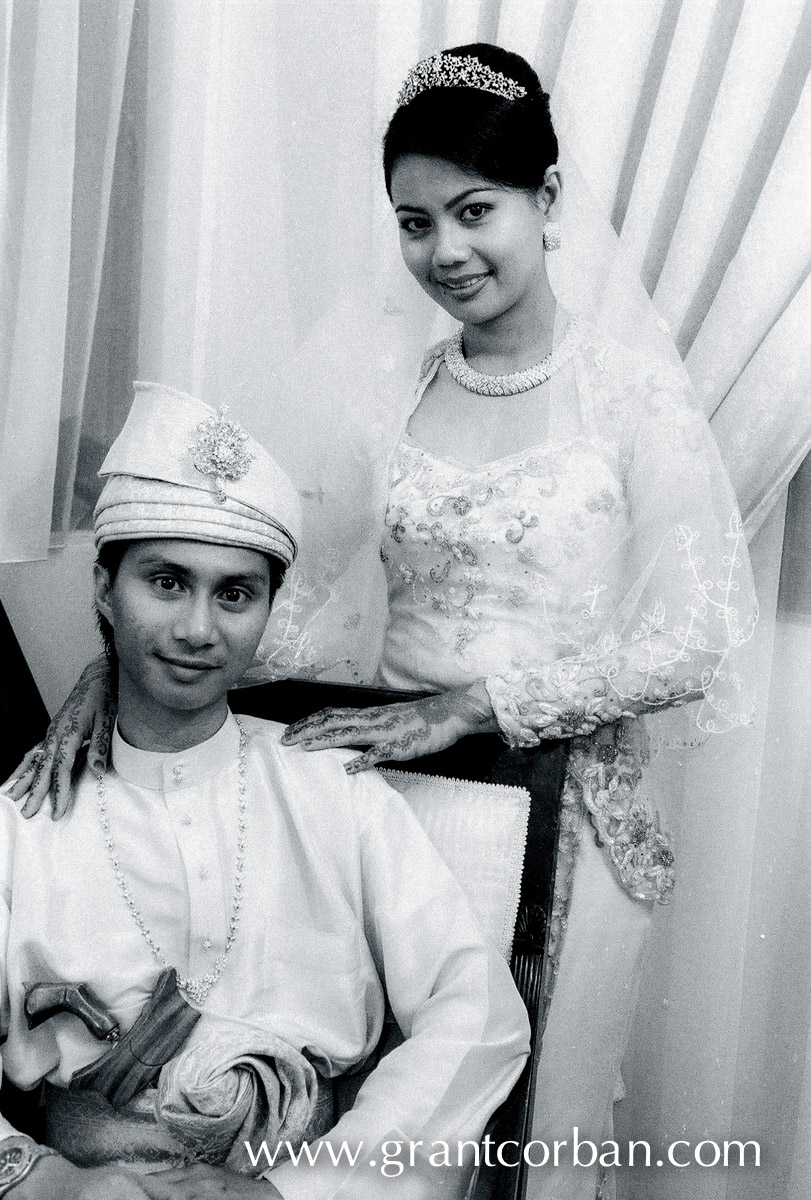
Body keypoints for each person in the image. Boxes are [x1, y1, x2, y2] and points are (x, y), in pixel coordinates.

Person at [6, 44, 758, 1199]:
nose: (445, 252)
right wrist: (113, 677)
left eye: (474, 210)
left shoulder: (629, 394)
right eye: (415, 223)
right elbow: (259, 597)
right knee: (402, 1095)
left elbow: (696, 633)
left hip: (570, 803)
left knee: (540, 1122)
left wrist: (474, 705)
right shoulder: (393, 390)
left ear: (546, 201)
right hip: (398, 792)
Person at [0, 382, 529, 1199]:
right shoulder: (25, 818)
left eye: (235, 593)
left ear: (269, 608)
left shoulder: (331, 785)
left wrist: (308, 1190)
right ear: (104, 590)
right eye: (166, 582)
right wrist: (49, 1183)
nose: (199, 629)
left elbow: (477, 1012)